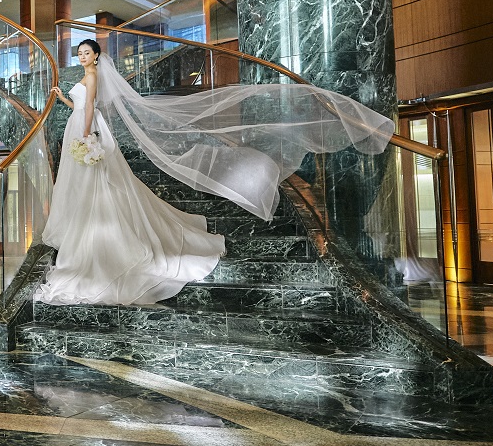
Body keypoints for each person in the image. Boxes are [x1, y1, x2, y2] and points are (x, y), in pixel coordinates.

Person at [35, 39, 394, 306]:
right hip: (79, 126)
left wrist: (86, 136)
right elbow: (81, 104)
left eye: (86, 52)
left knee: (100, 184)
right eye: (79, 54)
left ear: (97, 56)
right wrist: (63, 99)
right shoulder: (87, 77)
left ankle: (102, 241)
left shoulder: (93, 75)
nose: (82, 57)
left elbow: (90, 109)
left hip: (85, 130)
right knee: (89, 184)